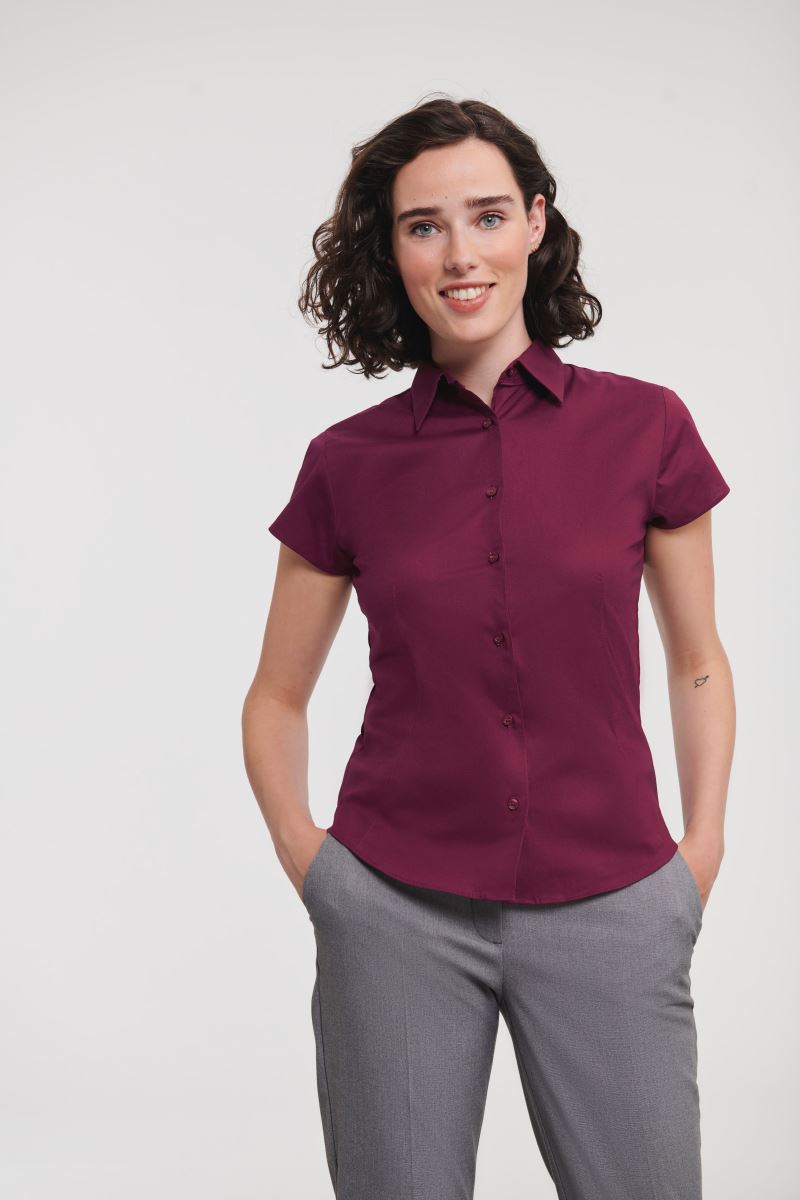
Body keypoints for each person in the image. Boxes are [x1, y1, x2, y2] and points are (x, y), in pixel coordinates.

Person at [241, 96, 735, 1200]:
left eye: (487, 215)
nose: (460, 253)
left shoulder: (646, 427)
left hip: (615, 894)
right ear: (392, 250)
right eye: (423, 226)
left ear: (536, 223)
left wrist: (696, 855)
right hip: (393, 908)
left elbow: (697, 658)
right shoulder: (346, 462)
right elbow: (276, 694)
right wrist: (316, 867)